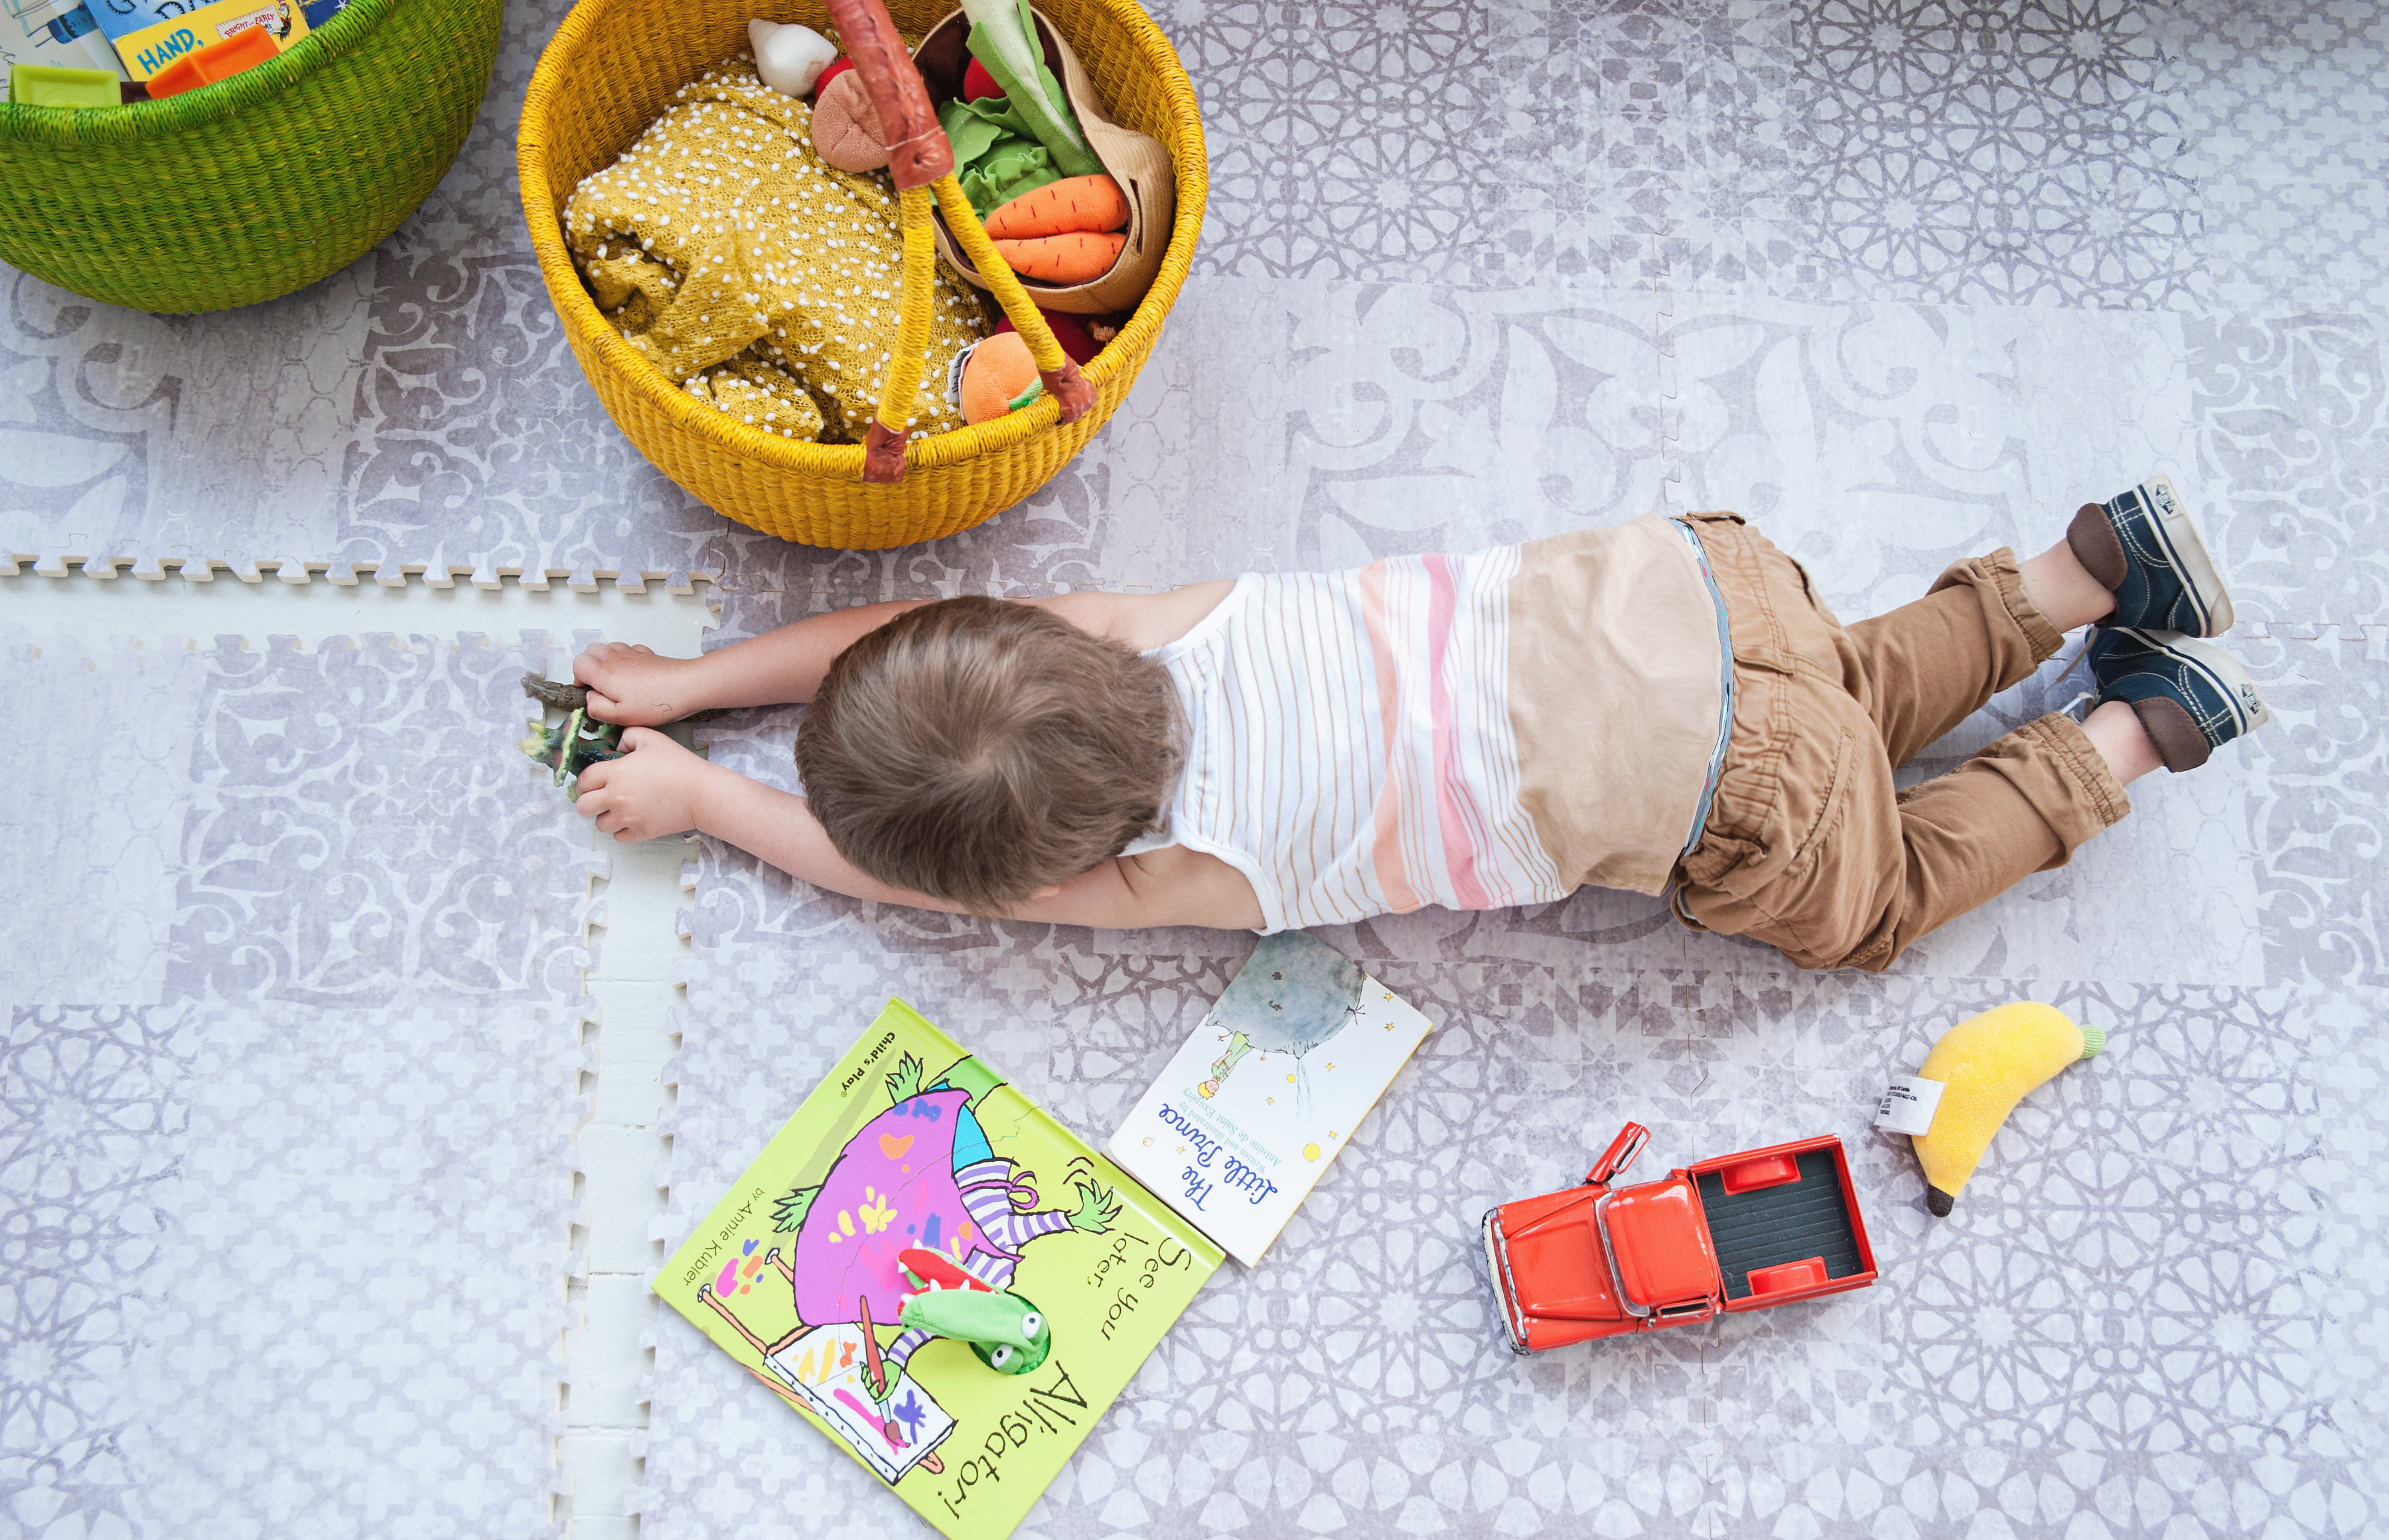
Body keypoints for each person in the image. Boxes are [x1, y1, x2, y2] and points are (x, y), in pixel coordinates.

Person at [567, 477, 2267, 971]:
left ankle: (2126, 738)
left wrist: (713, 807)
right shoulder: (1141, 626)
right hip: (1688, 590)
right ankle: (2069, 573)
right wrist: (691, 690)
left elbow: (920, 888)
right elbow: (892, 635)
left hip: (1713, 784)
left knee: (1870, 886)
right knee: (1836, 675)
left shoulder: (1176, 877)